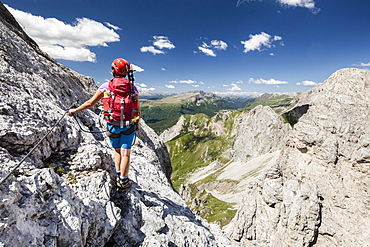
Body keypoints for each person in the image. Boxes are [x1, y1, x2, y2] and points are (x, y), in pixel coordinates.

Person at [68, 58, 140, 191]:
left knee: (117, 150)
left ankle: (118, 173)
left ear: (114, 70)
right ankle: (123, 181)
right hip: (129, 125)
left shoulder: (107, 86)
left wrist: (75, 110)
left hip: (112, 124)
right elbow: (137, 108)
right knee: (126, 153)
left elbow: (90, 103)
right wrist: (137, 123)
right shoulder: (132, 87)